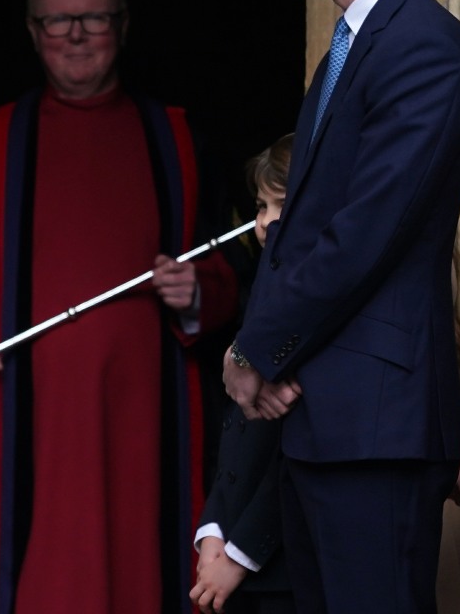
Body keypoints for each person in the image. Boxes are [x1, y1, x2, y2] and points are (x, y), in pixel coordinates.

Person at [0, 0, 241, 614]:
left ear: (123, 27)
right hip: (20, 420)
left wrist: (198, 292)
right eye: (58, 21)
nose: (76, 35)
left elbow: (245, 266)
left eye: (94, 18)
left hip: (149, 420)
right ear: (33, 33)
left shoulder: (180, 142)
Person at [223, 0, 460, 614]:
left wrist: (257, 349)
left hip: (378, 428)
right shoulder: (353, 46)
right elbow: (305, 231)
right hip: (327, 423)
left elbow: (362, 235)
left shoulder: (424, 47)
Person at [192, 133, 297, 614]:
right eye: (260, 206)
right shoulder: (263, 295)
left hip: (281, 563)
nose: (263, 222)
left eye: (280, 205)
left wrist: (240, 555)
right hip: (234, 553)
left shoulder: (305, 315)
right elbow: (238, 430)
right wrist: (213, 529)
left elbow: (296, 451)